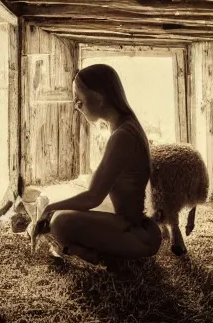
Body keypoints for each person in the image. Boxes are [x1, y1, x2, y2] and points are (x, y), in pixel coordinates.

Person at [35, 64, 162, 264]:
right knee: (62, 210)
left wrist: (49, 208)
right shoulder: (124, 126)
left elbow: (92, 198)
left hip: (135, 234)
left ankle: (90, 257)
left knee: (59, 222)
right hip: (134, 228)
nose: (77, 107)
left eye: (79, 100)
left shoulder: (123, 136)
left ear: (99, 98)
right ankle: (87, 254)